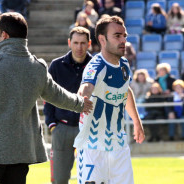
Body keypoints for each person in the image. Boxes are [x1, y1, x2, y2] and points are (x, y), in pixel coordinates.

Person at [0, 12, 93, 184]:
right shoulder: (36, 67)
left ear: (4, 35)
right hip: (20, 154)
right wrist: (80, 104)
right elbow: (57, 95)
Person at [74, 16, 145, 184]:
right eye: (117, 36)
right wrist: (81, 98)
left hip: (119, 146)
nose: (123, 41)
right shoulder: (95, 66)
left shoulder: (124, 65)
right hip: (93, 148)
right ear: (102, 39)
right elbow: (86, 86)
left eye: (124, 36)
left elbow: (125, 90)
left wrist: (136, 121)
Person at [43, 26, 92, 184]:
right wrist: (52, 125)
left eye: (83, 43)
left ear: (89, 43)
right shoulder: (56, 65)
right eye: (76, 42)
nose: (79, 47)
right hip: (62, 128)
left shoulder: (96, 65)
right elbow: (47, 96)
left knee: (92, 179)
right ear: (69, 43)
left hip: (88, 128)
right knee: (60, 179)